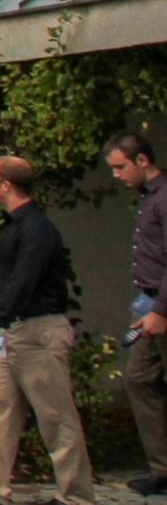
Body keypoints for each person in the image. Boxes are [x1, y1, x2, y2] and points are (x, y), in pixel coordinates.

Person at [0, 155, 93, 505]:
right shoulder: (16, 226)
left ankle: (76, 496)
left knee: (56, 416)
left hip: (38, 331)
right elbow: (12, 284)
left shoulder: (36, 228)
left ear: (6, 185)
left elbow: (23, 281)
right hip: (13, 331)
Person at [109, 133, 167, 494]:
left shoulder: (164, 198)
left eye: (120, 167)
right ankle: (162, 468)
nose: (116, 175)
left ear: (142, 160)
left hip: (160, 305)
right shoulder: (149, 198)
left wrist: (161, 309)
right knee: (139, 378)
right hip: (148, 303)